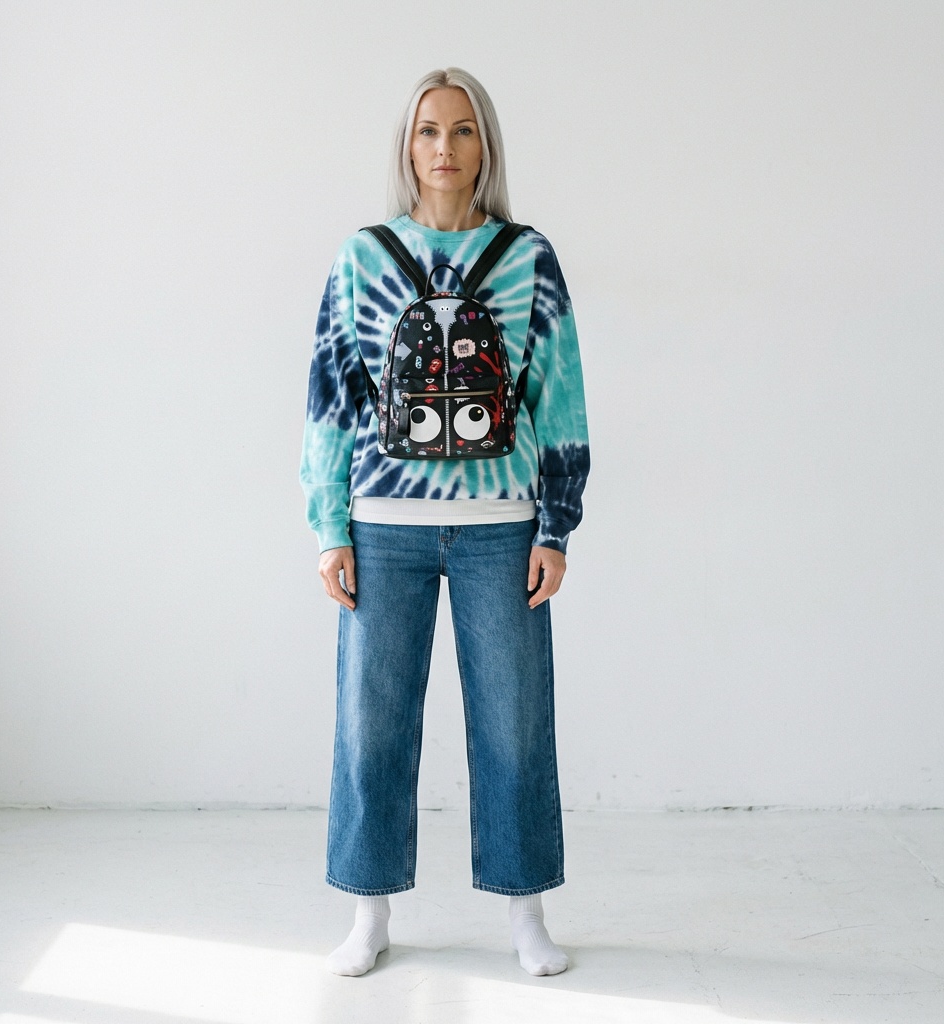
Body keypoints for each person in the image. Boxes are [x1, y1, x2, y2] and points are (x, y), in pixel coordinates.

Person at [300, 68, 590, 977]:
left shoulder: (528, 257)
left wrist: (556, 525)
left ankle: (525, 914)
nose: (445, 147)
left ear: (485, 146)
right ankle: (369, 913)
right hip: (382, 525)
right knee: (371, 724)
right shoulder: (362, 256)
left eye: (463, 130)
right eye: (429, 130)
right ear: (407, 145)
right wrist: (329, 526)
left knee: (515, 723)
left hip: (503, 525)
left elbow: (560, 394)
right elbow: (331, 397)